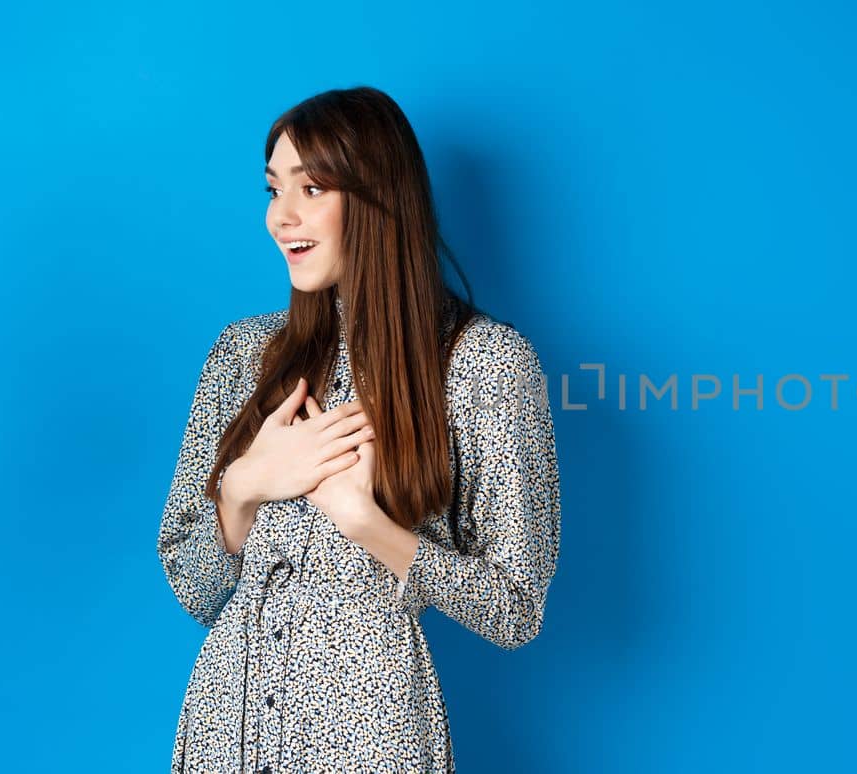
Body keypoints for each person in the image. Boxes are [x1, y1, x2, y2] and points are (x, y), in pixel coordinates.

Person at [156, 85, 562, 773]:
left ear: (379, 197)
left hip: (369, 735)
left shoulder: (484, 364)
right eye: (272, 189)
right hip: (225, 727)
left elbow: (515, 610)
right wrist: (242, 487)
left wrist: (367, 523)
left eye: (312, 188)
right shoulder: (242, 354)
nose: (281, 218)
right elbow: (194, 589)